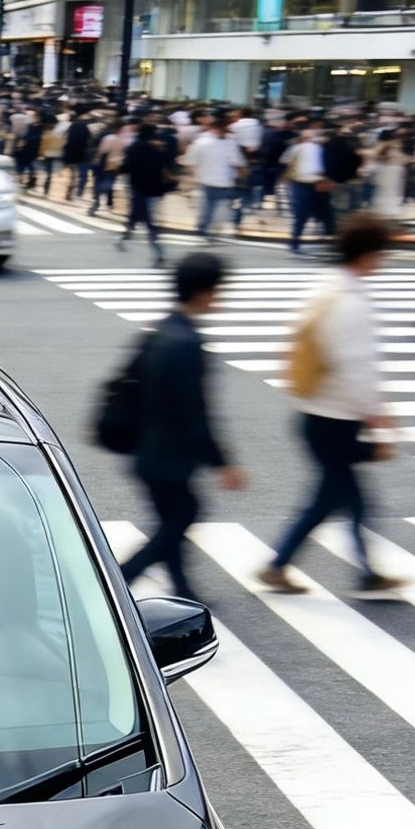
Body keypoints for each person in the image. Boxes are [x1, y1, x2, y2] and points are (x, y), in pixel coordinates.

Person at [260, 213, 398, 595]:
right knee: (340, 499)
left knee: (336, 498)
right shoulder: (350, 302)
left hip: (317, 413)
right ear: (368, 255)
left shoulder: (328, 286)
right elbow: (356, 368)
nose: (383, 261)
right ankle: (287, 566)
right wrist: (378, 419)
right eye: (382, 254)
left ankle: (290, 566)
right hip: (335, 420)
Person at [118, 251, 246, 599]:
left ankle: (184, 591)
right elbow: (196, 412)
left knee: (172, 522)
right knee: (181, 518)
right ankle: (118, 580)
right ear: (204, 292)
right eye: (219, 289)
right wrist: (223, 463)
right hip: (168, 457)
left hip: (146, 449)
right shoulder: (187, 343)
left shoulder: (161, 332)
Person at [118, 121, 171, 264]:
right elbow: (165, 167)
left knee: (139, 216)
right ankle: (157, 251)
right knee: (146, 219)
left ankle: (127, 239)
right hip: (154, 189)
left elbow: (126, 167)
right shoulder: (157, 151)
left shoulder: (133, 148)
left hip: (137, 188)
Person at [186, 114, 246, 238]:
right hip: (222, 180)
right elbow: (237, 161)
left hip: (212, 179)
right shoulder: (228, 142)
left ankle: (204, 227)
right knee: (221, 205)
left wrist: (193, 175)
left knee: (210, 205)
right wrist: (241, 173)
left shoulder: (201, 141)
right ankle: (210, 227)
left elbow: (191, 161)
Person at [282, 122, 332, 253]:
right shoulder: (318, 148)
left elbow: (284, 161)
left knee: (302, 214)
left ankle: (295, 241)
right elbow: (321, 168)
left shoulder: (299, 147)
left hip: (300, 183)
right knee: (318, 211)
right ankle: (299, 240)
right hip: (311, 183)